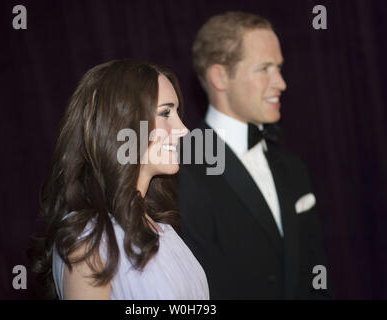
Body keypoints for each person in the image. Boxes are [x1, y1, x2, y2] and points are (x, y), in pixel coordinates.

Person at [178, 12, 332, 299]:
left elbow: (317, 276)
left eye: (279, 68)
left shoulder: (292, 167)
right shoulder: (182, 167)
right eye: (264, 69)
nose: (281, 83)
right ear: (220, 76)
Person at [28, 59, 209, 299]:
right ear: (122, 123)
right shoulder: (89, 240)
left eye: (177, 112)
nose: (183, 129)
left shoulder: (163, 229)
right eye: (165, 112)